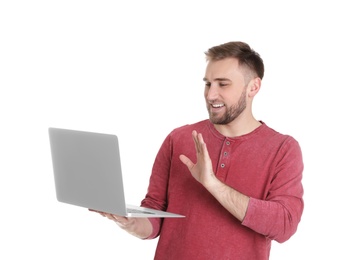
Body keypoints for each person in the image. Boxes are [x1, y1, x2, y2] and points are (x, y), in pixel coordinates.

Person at [91, 41, 304, 259]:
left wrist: (212, 184)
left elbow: (284, 226)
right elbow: (155, 214)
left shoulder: (283, 149)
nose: (211, 95)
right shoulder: (179, 138)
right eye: (208, 83)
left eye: (223, 84)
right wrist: (131, 222)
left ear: (253, 87)